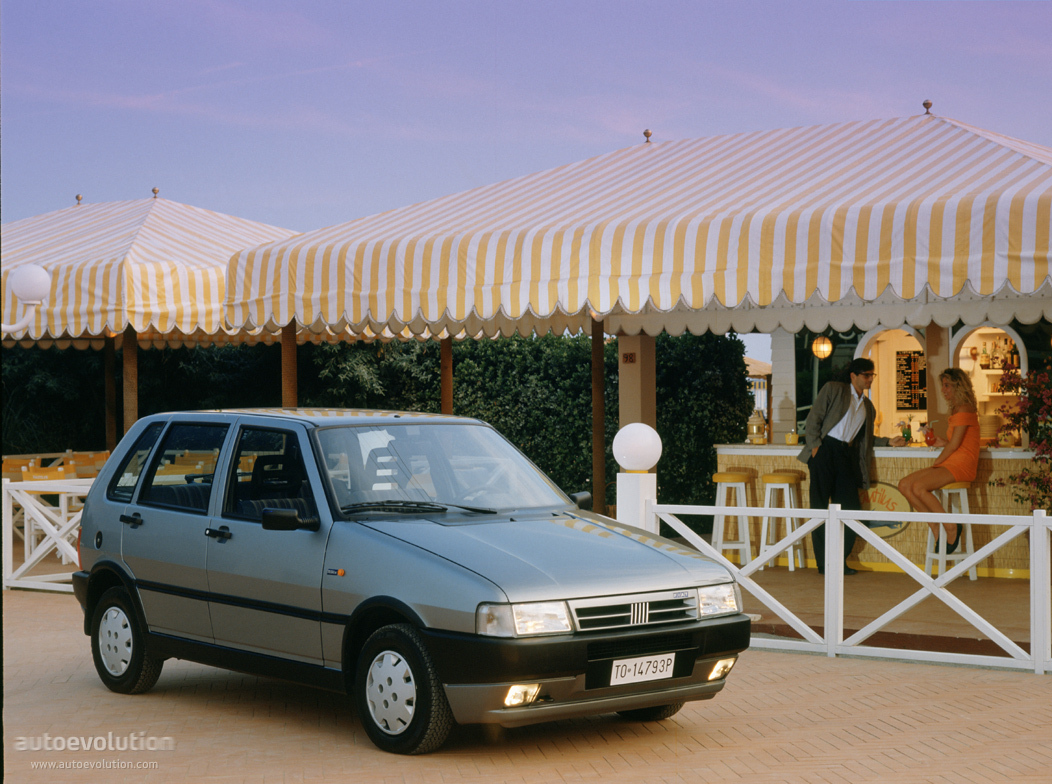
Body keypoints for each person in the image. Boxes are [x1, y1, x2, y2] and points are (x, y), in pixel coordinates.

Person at [797, 358, 906, 575]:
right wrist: (816, 447)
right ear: (853, 376)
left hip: (846, 455)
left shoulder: (867, 406)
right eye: (865, 375)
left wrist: (888, 441)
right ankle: (823, 564)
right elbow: (813, 420)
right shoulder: (833, 389)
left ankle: (838, 561)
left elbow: (866, 438)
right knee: (819, 509)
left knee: (851, 511)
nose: (869, 379)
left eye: (871, 375)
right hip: (825, 450)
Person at [898, 368, 980, 553]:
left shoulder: (965, 408)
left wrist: (937, 463)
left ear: (959, 386)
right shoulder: (957, 408)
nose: (943, 390)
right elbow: (952, 443)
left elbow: (954, 446)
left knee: (919, 487)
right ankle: (935, 527)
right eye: (942, 385)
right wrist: (937, 441)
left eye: (947, 385)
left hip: (962, 464)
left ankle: (951, 526)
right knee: (904, 485)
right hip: (952, 461)